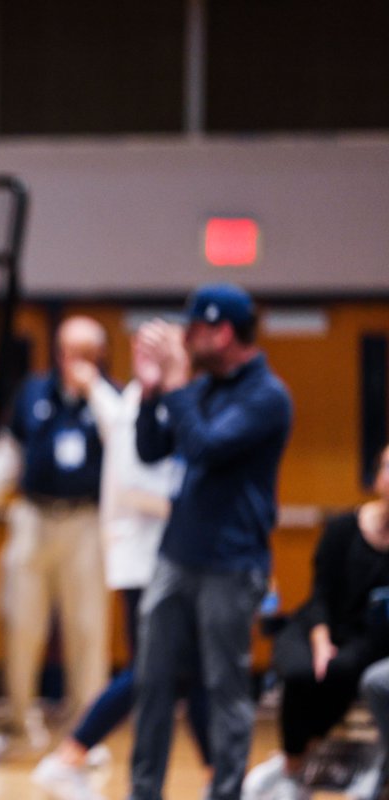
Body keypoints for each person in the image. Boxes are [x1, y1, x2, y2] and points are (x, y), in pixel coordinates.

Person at [128, 283, 292, 800]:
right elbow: (153, 449)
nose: (184, 338)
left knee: (225, 689)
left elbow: (206, 448)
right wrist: (151, 391)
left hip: (232, 562)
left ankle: (225, 793)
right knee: (152, 684)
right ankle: (144, 791)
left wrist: (175, 381)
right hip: (177, 557)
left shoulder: (266, 396)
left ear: (221, 332)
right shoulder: (202, 386)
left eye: (193, 328)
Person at [30, 335, 211, 800]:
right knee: (154, 668)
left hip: (164, 555)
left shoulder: (159, 402)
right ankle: (72, 752)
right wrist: (199, 509)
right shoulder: (141, 403)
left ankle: (215, 771)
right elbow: (135, 483)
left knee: (175, 669)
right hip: (146, 558)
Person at [0, 315, 110, 753]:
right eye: (71, 351)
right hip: (33, 516)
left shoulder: (111, 399)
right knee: (20, 619)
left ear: (100, 356)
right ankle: (18, 719)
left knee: (87, 627)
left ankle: (86, 729)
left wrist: (95, 391)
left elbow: (125, 445)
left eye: (88, 353)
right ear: (58, 352)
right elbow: (10, 445)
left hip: (86, 522)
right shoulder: (33, 390)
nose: (77, 361)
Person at [246, 442, 389, 800]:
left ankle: (303, 763)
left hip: (367, 637)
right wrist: (321, 641)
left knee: (342, 670)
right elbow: (321, 593)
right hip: (319, 622)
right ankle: (295, 763)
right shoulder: (343, 527)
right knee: (300, 670)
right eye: (386, 467)